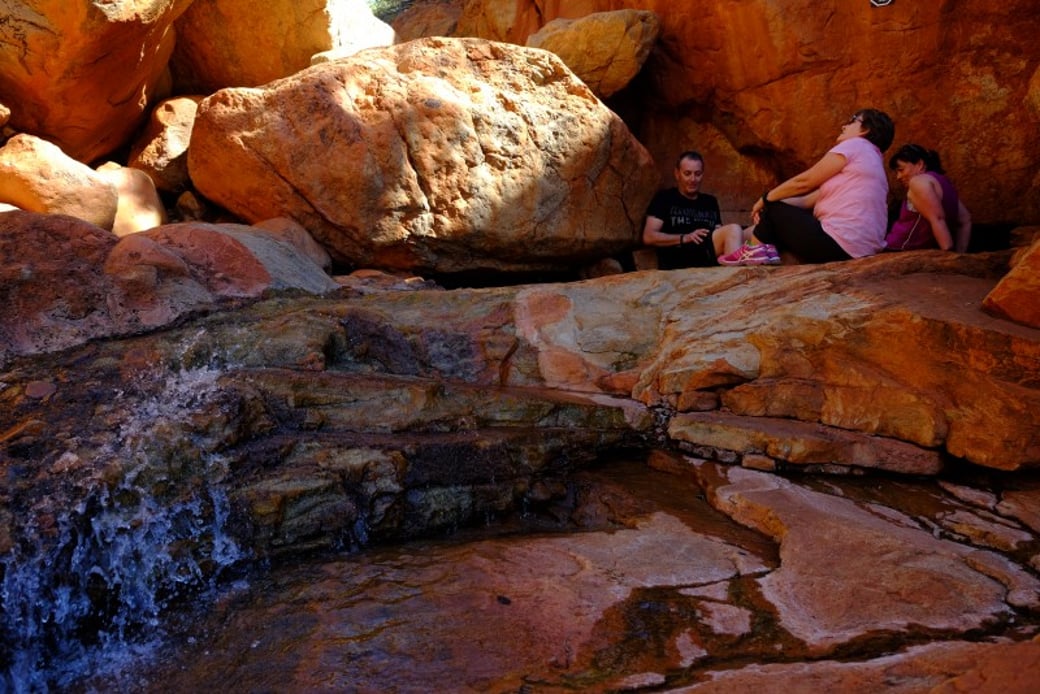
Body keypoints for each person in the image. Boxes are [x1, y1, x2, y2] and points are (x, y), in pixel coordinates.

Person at [718, 108, 895, 265]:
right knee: (775, 206)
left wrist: (766, 200)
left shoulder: (856, 145)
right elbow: (807, 200)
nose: (844, 126)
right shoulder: (871, 162)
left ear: (866, 130)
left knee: (773, 204)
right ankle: (758, 252)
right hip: (859, 249)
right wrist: (770, 206)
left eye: (853, 120)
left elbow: (805, 182)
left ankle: (752, 255)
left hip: (839, 243)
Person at [641, 151, 771, 269]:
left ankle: (756, 268)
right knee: (733, 229)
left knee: (758, 228)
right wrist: (685, 237)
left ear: (702, 174)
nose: (693, 179)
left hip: (708, 251)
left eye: (697, 174)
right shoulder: (665, 198)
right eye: (687, 174)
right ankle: (737, 278)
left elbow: (718, 229)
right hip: (681, 255)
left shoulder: (709, 201)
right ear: (677, 174)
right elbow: (648, 236)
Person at [885, 144, 972, 252]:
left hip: (899, 248)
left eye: (901, 170)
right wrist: (960, 254)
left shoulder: (918, 181)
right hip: (923, 251)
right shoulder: (944, 182)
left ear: (920, 164)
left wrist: (948, 250)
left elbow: (937, 218)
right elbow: (965, 219)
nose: (898, 177)